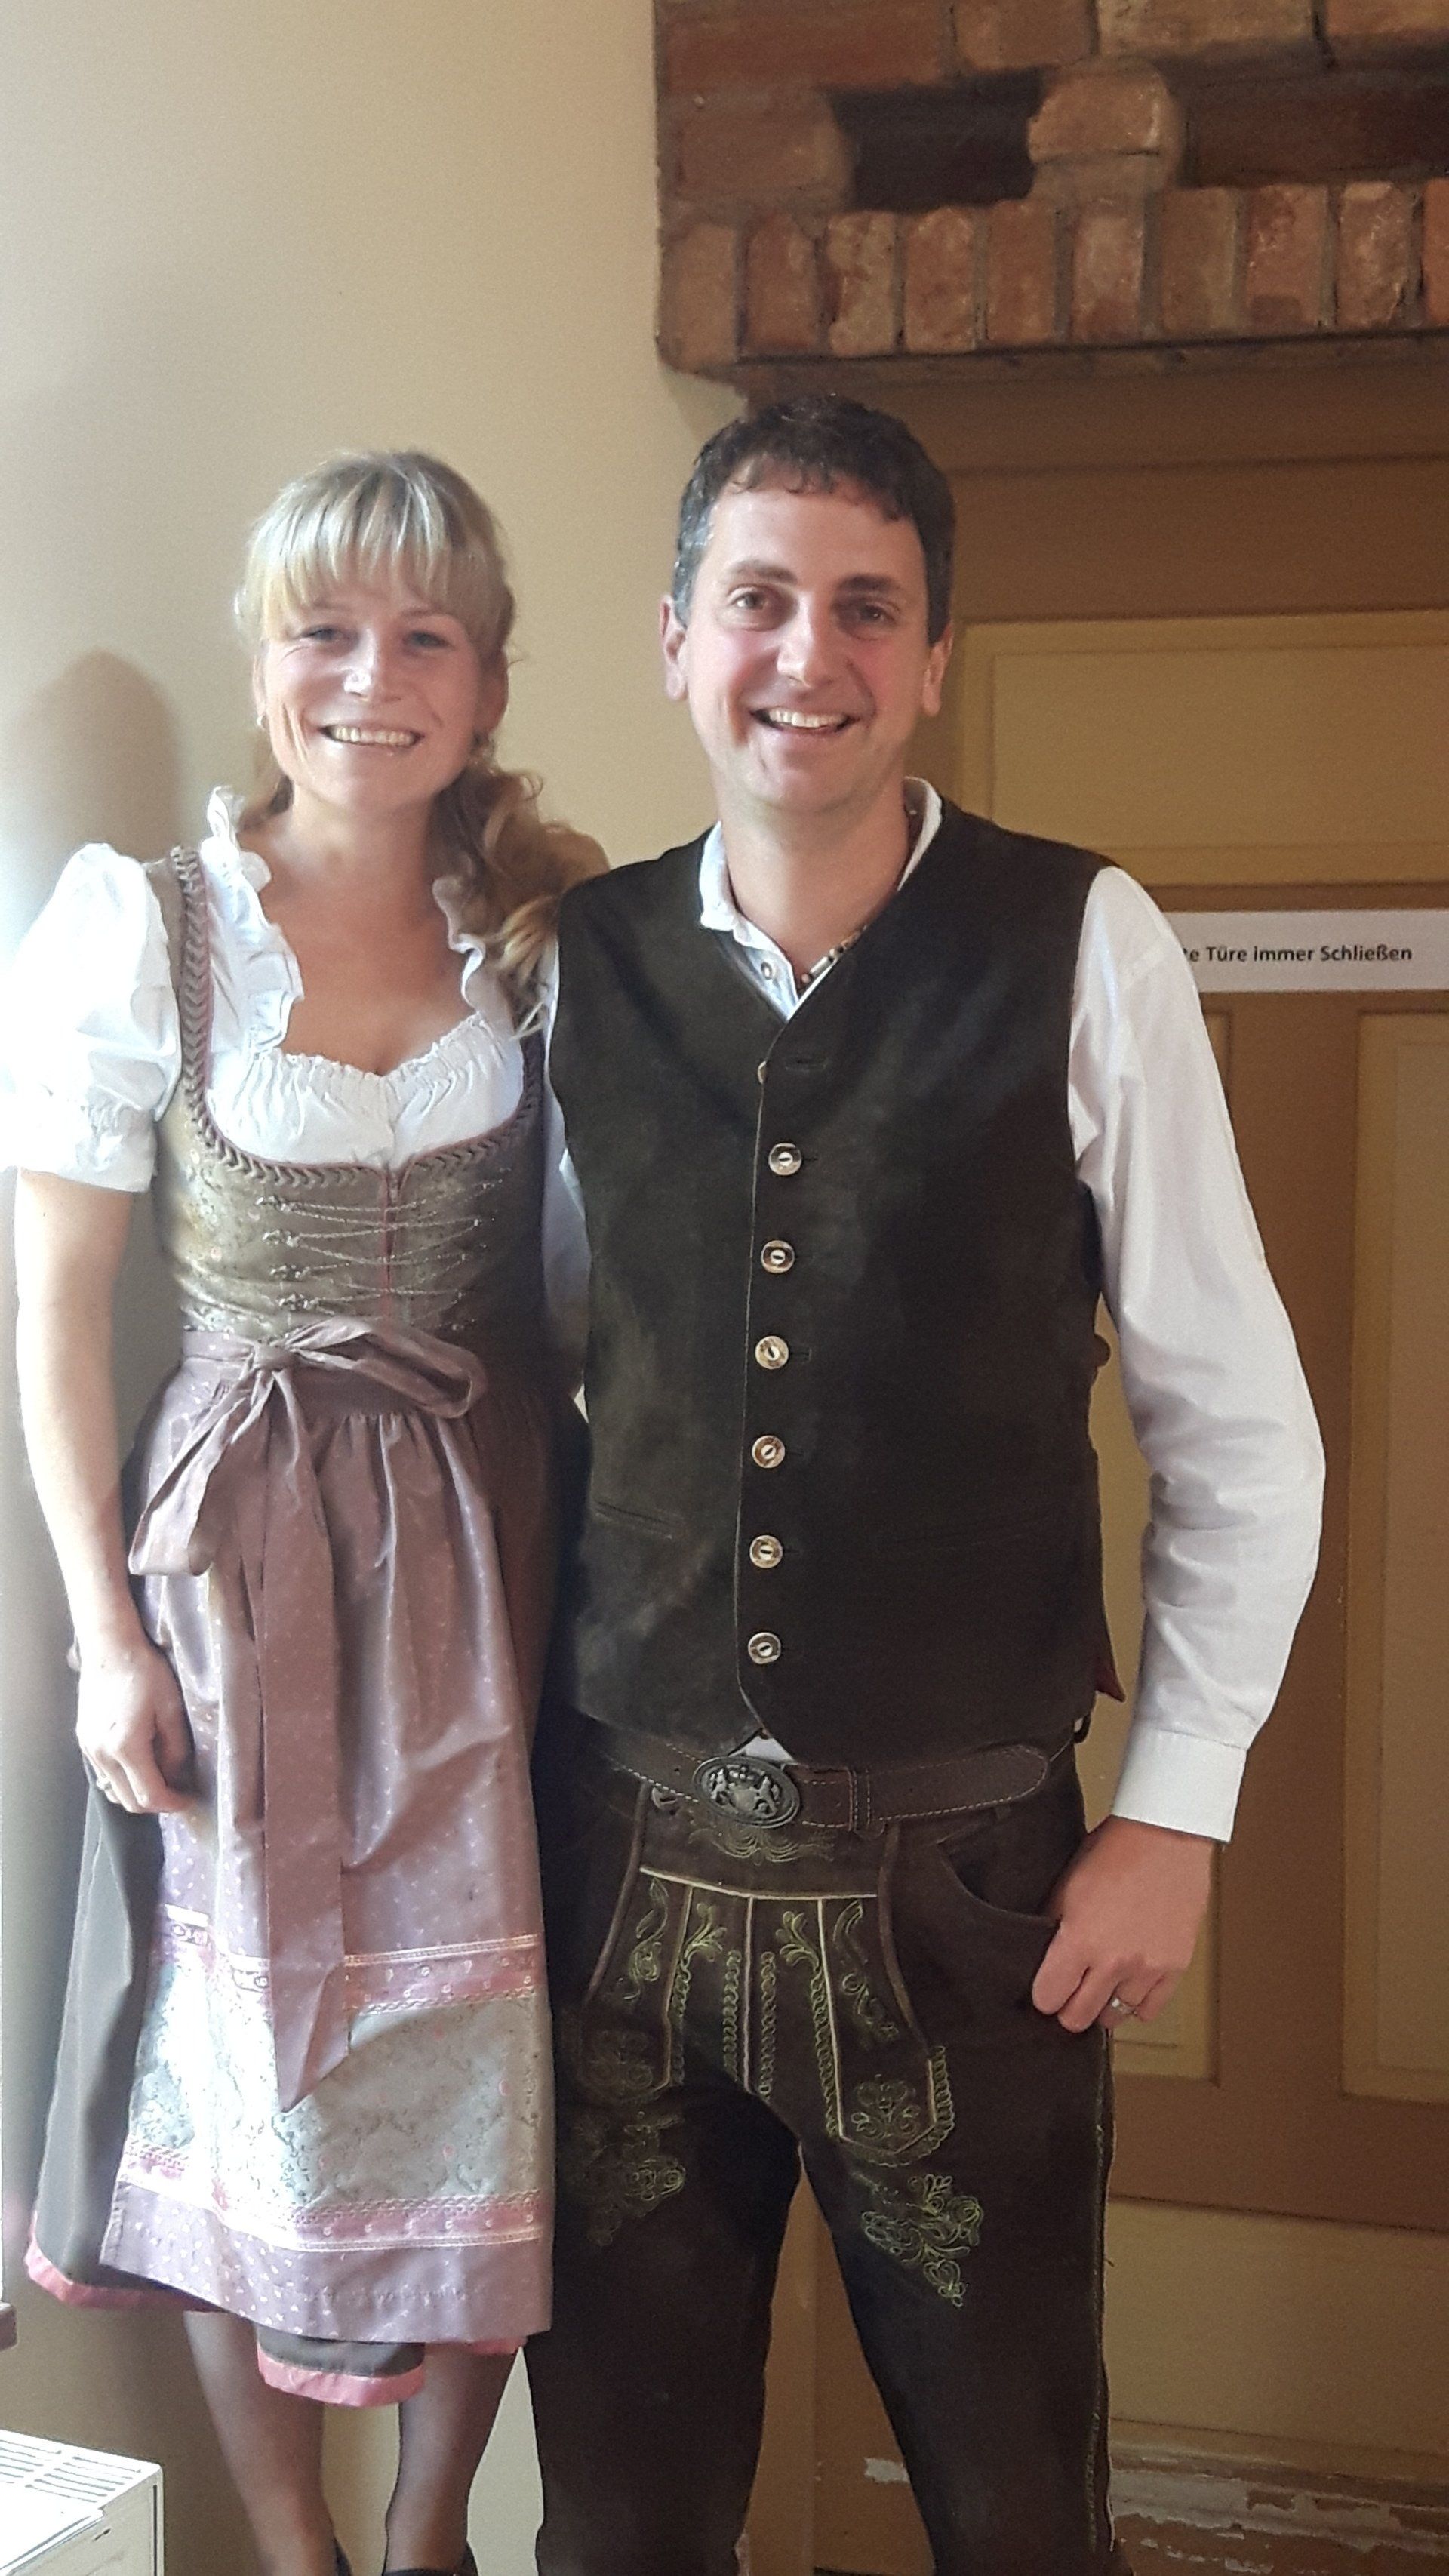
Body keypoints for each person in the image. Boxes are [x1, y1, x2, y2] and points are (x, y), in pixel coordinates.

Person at [524, 396, 1324, 2576]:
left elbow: (1240, 1421)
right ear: (677, 640)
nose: (812, 654)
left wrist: (1177, 1811)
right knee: (617, 2529)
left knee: (1017, 2517)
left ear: (937, 657)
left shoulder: (1082, 940)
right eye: (760, 600)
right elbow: (534, 1382)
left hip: (967, 1892)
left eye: (868, 608)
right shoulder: (576, 969)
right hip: (621, 1877)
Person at [4, 451, 601, 2576]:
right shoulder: (142, 924)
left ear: (489, 679)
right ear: (266, 663)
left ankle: (431, 2537)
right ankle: (293, 2548)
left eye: (424, 636)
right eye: (325, 630)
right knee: (244, 2040)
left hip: (491, 1540)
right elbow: (56, 1308)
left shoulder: (549, 930)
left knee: (479, 2033)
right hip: (234, 1556)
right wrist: (105, 1636)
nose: (372, 677)